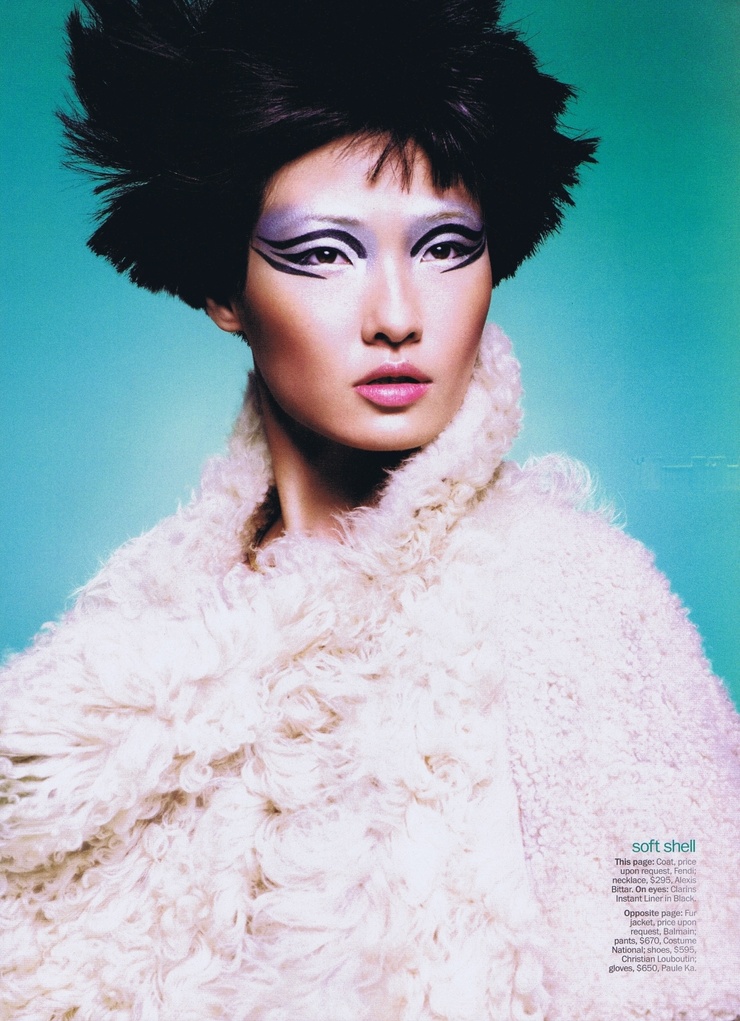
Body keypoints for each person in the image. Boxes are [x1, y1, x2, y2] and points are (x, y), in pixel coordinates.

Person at [1, 1, 738, 1019]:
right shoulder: (136, 641)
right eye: (323, 253)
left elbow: (682, 980)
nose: (396, 315)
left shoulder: (583, 611)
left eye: (445, 248)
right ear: (224, 290)